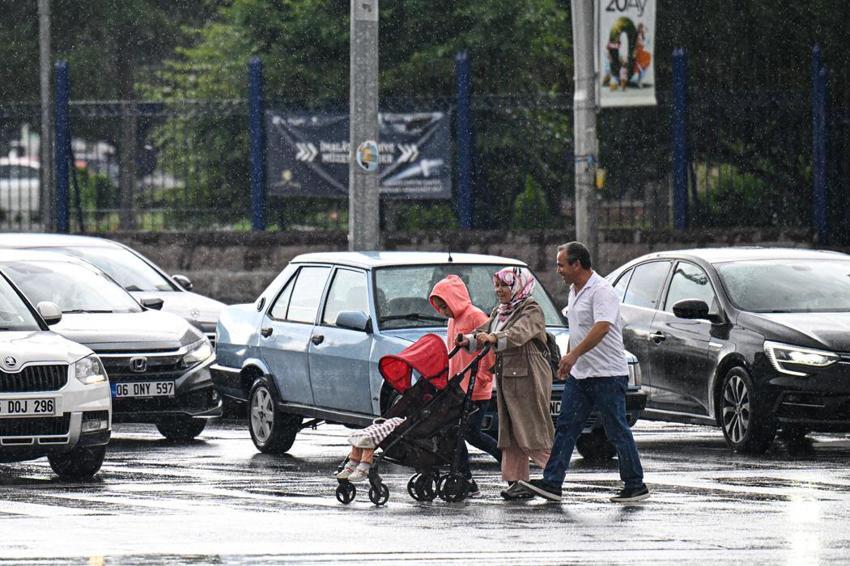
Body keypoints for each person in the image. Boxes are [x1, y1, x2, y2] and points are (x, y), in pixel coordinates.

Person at [520, 242, 650, 503]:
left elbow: (602, 327)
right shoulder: (574, 289)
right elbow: (577, 328)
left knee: (616, 430)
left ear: (576, 264)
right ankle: (552, 482)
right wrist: (568, 360)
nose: (558, 270)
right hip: (581, 375)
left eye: (561, 264)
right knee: (567, 427)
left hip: (607, 374)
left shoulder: (601, 291)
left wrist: (574, 354)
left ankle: (635, 485)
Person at [459, 266, 554, 500]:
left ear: (518, 286)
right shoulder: (501, 311)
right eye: (497, 286)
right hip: (509, 377)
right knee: (511, 431)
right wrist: (469, 340)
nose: (499, 290)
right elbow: (487, 329)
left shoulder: (530, 309)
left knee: (530, 427)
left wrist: (493, 338)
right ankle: (518, 482)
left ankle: (555, 473)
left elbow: (519, 333)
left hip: (529, 376)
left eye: (504, 285)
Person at [429, 275, 501, 498]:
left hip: (476, 389)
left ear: (454, 300)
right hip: (458, 388)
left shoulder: (475, 316)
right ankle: (466, 478)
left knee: (470, 433)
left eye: (444, 305)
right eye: (439, 307)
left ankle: (506, 459)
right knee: (456, 433)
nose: (443, 311)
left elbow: (487, 351)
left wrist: (481, 379)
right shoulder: (452, 321)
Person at [335, 416, 406, 482]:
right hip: (392, 421)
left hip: (399, 424)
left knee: (368, 439)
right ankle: (353, 464)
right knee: (359, 435)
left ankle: (364, 467)